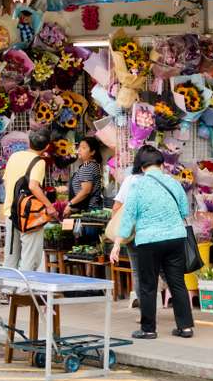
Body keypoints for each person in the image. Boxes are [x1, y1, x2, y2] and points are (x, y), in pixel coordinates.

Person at [109, 145, 194, 340]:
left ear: (141, 166)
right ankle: (185, 327)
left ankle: (148, 329)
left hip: (148, 241)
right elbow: (184, 211)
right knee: (177, 282)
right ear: (161, 164)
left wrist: (117, 243)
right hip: (175, 238)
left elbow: (128, 217)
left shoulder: (137, 186)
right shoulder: (173, 183)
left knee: (148, 285)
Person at [1, 128, 56, 273]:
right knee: (30, 255)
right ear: (46, 146)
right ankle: (24, 292)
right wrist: (49, 206)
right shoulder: (39, 162)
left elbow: (6, 181)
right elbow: (33, 186)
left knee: (11, 254)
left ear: (29, 142)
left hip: (10, 211)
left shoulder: (14, 156)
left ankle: (8, 292)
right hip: (29, 215)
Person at [109, 147, 155, 308]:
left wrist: (117, 229)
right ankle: (181, 312)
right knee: (163, 271)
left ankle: (146, 312)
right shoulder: (160, 180)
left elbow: (117, 206)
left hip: (133, 231)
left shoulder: (131, 180)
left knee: (138, 271)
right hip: (155, 231)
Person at [63, 137, 103, 217]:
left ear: (92, 152)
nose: (79, 150)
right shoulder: (92, 165)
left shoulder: (87, 167)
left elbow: (85, 191)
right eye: (79, 147)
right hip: (90, 210)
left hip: (89, 212)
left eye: (84, 148)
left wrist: (70, 204)